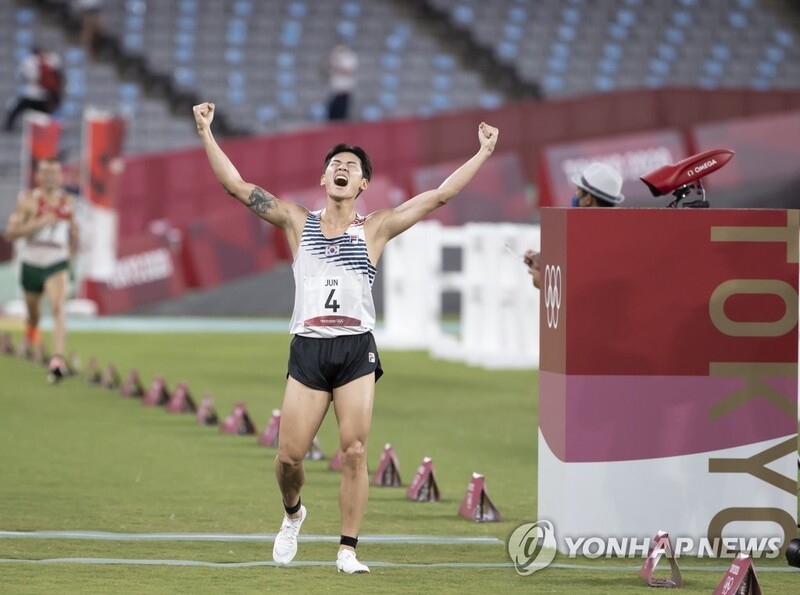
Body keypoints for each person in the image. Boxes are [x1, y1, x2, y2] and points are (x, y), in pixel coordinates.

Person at [192, 101, 498, 573]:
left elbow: (436, 197)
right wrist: (206, 131)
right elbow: (236, 186)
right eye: (335, 164)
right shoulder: (298, 221)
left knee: (355, 450)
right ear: (323, 180)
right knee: (289, 457)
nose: (342, 168)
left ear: (362, 185)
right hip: (309, 348)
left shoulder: (375, 228)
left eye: (351, 167)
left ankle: (347, 549)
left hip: (356, 348)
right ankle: (293, 513)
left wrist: (481, 153)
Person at [3, 159, 79, 382]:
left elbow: (72, 230)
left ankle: (57, 359)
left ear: (61, 176)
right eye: (46, 173)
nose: (51, 177)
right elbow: (10, 233)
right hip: (32, 262)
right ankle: (32, 334)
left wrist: (73, 241)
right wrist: (39, 223)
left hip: (57, 261)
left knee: (57, 306)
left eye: (55, 173)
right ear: (38, 176)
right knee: (34, 314)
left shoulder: (68, 201)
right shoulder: (28, 202)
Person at [525, 162, 624, 288]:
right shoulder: (613, 230)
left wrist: (546, 284)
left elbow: (588, 288)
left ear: (589, 199)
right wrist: (539, 259)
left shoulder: (589, 235)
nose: (575, 194)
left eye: (579, 190)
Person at [3, 46, 64, 132]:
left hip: (32, 94)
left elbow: (25, 76)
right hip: (43, 95)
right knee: (46, 114)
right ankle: (50, 130)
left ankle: (9, 126)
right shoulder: (50, 59)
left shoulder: (29, 61)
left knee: (16, 110)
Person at [324, 39, 358, 121]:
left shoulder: (349, 57)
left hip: (344, 91)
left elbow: (350, 71)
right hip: (335, 91)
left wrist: (337, 65)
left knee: (341, 116)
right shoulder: (333, 56)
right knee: (332, 115)